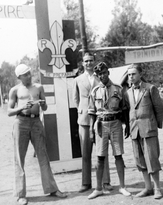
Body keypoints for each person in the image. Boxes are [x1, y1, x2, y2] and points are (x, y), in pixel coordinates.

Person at [7, 64, 67, 205]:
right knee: (19, 159)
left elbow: (44, 107)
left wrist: (43, 103)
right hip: (20, 123)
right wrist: (22, 107)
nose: (29, 76)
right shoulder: (15, 90)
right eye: (25, 74)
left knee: (43, 156)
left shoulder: (39, 87)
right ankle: (21, 194)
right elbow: (9, 111)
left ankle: (52, 189)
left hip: (36, 123)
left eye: (29, 73)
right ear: (19, 77)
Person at [87, 62, 131, 199]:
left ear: (108, 73)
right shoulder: (94, 91)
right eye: (99, 74)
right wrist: (90, 129)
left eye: (104, 72)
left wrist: (127, 126)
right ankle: (98, 188)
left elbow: (124, 109)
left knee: (118, 155)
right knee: (100, 157)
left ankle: (122, 187)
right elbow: (91, 112)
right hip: (100, 125)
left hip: (116, 123)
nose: (102, 76)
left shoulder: (118, 89)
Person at [72, 53, 112, 193]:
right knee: (85, 152)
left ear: (94, 62)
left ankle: (106, 181)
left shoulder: (100, 77)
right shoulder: (77, 80)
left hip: (99, 118)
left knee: (102, 151)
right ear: (82, 63)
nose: (88, 63)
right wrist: (82, 111)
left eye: (91, 61)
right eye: (86, 61)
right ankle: (86, 183)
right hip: (84, 119)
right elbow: (76, 100)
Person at [124, 63, 163, 200]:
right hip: (135, 130)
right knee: (140, 160)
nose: (131, 77)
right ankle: (148, 188)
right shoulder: (127, 92)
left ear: (140, 74)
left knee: (152, 159)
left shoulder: (150, 88)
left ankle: (157, 188)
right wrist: (129, 128)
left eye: (133, 74)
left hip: (148, 129)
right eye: (129, 75)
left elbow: (159, 107)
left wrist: (157, 125)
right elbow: (129, 110)